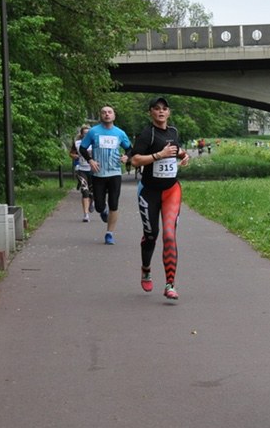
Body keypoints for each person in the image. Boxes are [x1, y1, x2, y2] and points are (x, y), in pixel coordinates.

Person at [128, 96, 190, 300]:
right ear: (151, 113)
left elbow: (175, 149)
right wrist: (158, 156)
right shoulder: (147, 134)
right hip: (149, 192)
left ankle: (170, 284)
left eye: (164, 108)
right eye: (156, 108)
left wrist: (184, 155)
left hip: (171, 190)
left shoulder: (173, 132)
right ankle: (146, 268)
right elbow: (135, 160)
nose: (161, 111)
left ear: (169, 112)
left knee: (169, 235)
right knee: (151, 235)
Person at [80, 105, 131, 245]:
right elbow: (82, 148)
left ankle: (109, 233)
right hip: (98, 174)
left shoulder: (120, 133)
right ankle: (103, 210)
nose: (107, 114)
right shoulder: (93, 132)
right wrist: (90, 160)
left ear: (114, 116)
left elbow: (130, 149)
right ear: (100, 116)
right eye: (104, 112)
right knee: (99, 206)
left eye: (109, 112)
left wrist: (126, 157)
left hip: (115, 173)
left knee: (114, 204)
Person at [69, 125, 93, 222]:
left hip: (93, 170)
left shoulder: (94, 142)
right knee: (85, 191)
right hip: (81, 169)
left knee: (92, 192)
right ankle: (86, 214)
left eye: (88, 133)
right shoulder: (77, 143)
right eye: (85, 133)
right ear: (82, 134)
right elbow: (71, 153)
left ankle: (91, 201)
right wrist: (74, 156)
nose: (86, 135)